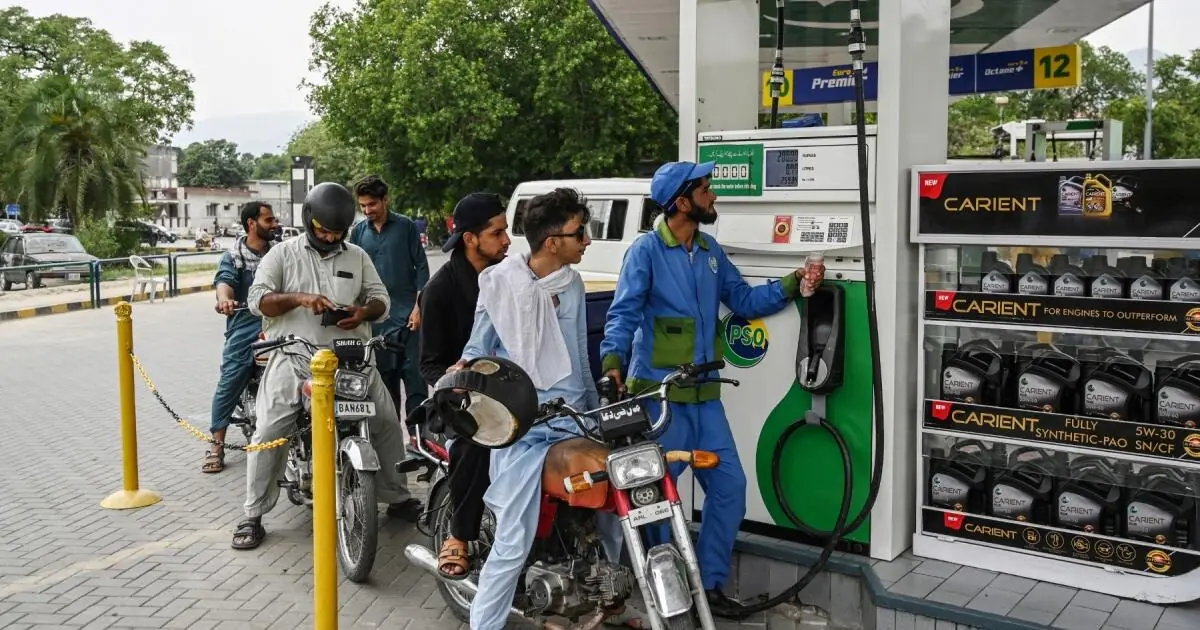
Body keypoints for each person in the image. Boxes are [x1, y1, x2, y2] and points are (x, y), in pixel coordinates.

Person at [599, 161, 823, 618]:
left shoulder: (709, 250)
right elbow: (623, 314)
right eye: (706, 189)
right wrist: (612, 363)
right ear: (682, 202)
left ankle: (709, 584)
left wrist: (792, 284)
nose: (713, 195)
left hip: (706, 400)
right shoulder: (645, 252)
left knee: (730, 488)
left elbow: (742, 300)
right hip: (660, 400)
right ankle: (663, 590)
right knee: (656, 503)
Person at [454, 188, 642, 630]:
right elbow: (478, 351)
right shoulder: (498, 283)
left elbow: (578, 355)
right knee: (512, 542)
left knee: (617, 510)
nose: (588, 241)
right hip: (524, 429)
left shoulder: (571, 283)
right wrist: (462, 375)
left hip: (573, 419)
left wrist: (597, 414)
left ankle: (605, 600)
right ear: (553, 242)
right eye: (580, 233)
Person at [232, 182, 421, 550]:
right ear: (309, 220)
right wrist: (299, 299)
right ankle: (253, 514)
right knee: (270, 430)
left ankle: (397, 497)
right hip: (295, 357)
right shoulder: (282, 254)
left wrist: (362, 313)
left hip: (351, 358)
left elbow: (380, 300)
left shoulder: (357, 256)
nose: (332, 237)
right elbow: (259, 301)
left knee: (385, 421)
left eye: (338, 232)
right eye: (325, 231)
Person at [417, 193, 511, 579]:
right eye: (497, 233)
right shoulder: (440, 289)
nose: (507, 240)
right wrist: (459, 385)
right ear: (470, 239)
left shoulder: (509, 278)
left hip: (510, 392)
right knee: (476, 445)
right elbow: (429, 364)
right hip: (458, 399)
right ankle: (459, 533)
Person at [203, 201, 279, 473]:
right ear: (251, 223)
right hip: (246, 324)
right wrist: (224, 299)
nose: (275, 224)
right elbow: (224, 282)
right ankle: (216, 445)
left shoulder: (280, 251)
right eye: (269, 220)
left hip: (279, 324)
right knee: (230, 380)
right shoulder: (233, 256)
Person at [349, 175, 430, 418]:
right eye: (363, 206)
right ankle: (392, 436)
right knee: (384, 384)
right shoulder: (358, 232)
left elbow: (422, 267)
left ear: (385, 199)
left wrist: (419, 308)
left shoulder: (406, 227)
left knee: (415, 380)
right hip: (376, 322)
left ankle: (418, 435)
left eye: (372, 204)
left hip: (409, 319)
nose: (367, 211)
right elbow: (352, 274)